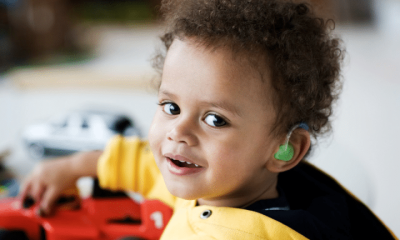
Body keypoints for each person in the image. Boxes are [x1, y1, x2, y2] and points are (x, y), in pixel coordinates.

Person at [20, 0, 397, 239]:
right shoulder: (222, 180)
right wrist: (75, 166)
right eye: (171, 107)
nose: (178, 133)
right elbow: (147, 167)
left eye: (215, 120)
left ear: (285, 150)